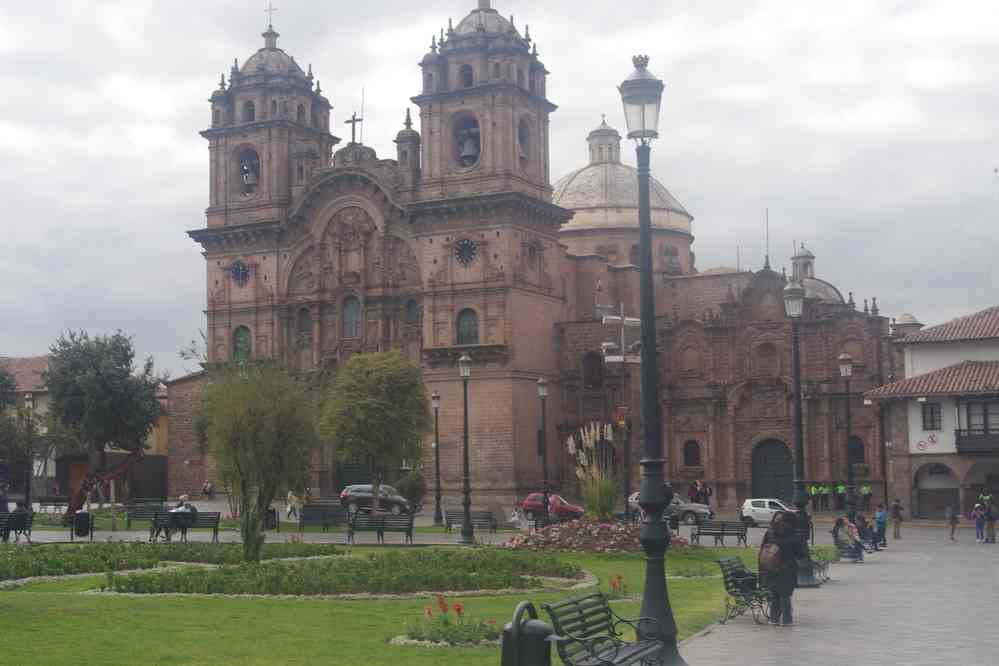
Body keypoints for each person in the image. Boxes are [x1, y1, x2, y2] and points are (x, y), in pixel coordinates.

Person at [759, 511, 805, 626]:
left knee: (774, 593)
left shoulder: (770, 532)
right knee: (785, 594)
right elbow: (800, 554)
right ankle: (787, 620)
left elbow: (763, 549)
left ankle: (774, 619)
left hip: (770, 567)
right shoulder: (794, 535)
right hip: (787, 568)